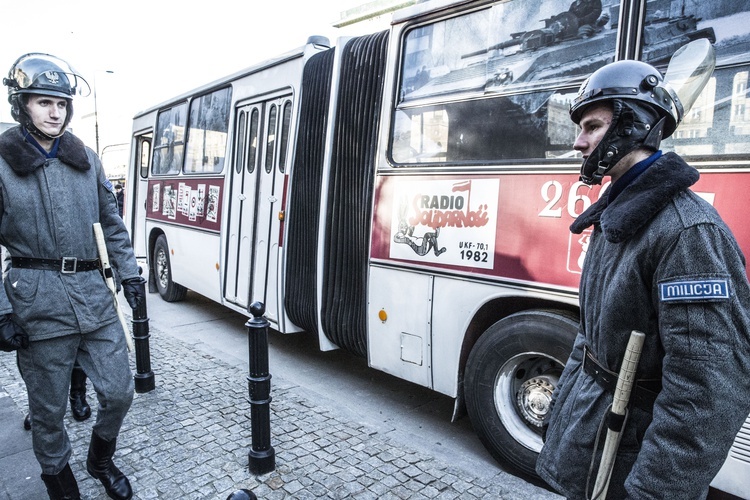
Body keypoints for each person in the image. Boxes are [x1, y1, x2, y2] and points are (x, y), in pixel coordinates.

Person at [536, 57, 750, 498]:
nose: (578, 143)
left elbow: (708, 392)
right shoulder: (619, 215)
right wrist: (561, 415)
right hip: (592, 434)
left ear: (633, 126)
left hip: (631, 458)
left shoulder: (688, 233)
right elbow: (591, 337)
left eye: (591, 127)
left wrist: (652, 492)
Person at [0, 53, 145, 500]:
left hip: (92, 295)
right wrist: (2, 311)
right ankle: (61, 485)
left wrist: (129, 273)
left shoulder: (86, 157)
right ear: (21, 105)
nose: (55, 111)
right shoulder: (2, 162)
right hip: (37, 304)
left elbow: (112, 222)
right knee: (48, 412)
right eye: (44, 102)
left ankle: (100, 459)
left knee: (120, 393)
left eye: (61, 103)